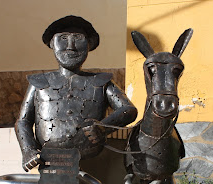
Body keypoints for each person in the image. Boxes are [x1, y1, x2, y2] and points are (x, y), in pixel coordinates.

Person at [15, 15, 137, 172]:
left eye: (78, 38)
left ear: (89, 44)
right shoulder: (39, 82)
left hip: (91, 158)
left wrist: (103, 127)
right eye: (63, 38)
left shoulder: (100, 81)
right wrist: (28, 150)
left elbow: (128, 110)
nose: (70, 46)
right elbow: (23, 121)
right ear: (52, 43)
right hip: (51, 159)